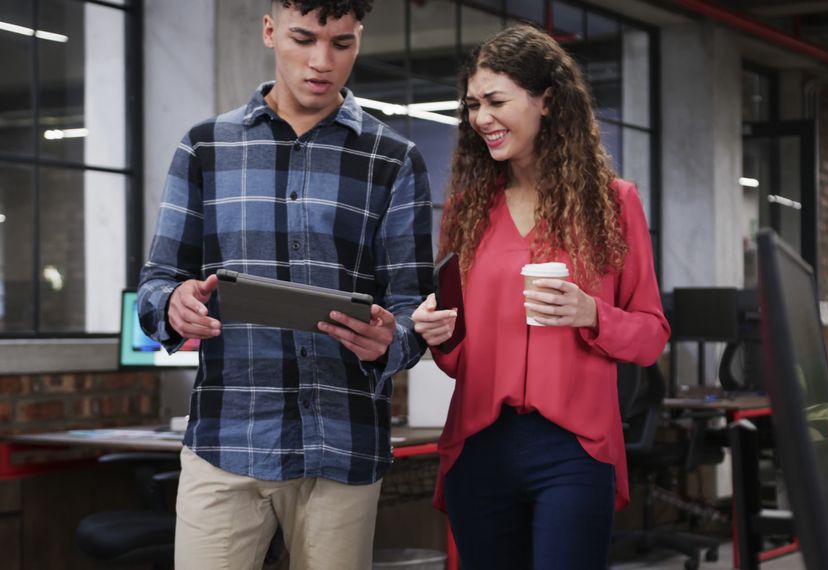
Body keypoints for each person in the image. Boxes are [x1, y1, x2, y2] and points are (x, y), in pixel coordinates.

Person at [137, 1, 433, 568]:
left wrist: (391, 343)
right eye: (304, 39)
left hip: (342, 444)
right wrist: (173, 305)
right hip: (228, 441)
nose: (322, 61)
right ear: (270, 31)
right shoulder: (206, 147)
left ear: (359, 39)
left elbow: (412, 307)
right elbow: (157, 284)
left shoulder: (393, 159)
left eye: (342, 44)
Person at [412, 24, 670, 569]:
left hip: (573, 451)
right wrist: (438, 334)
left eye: (496, 101)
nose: (481, 117)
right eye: (473, 104)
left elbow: (651, 337)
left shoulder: (613, 205)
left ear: (547, 100)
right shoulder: (465, 211)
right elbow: (457, 359)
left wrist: (592, 313)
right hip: (478, 446)